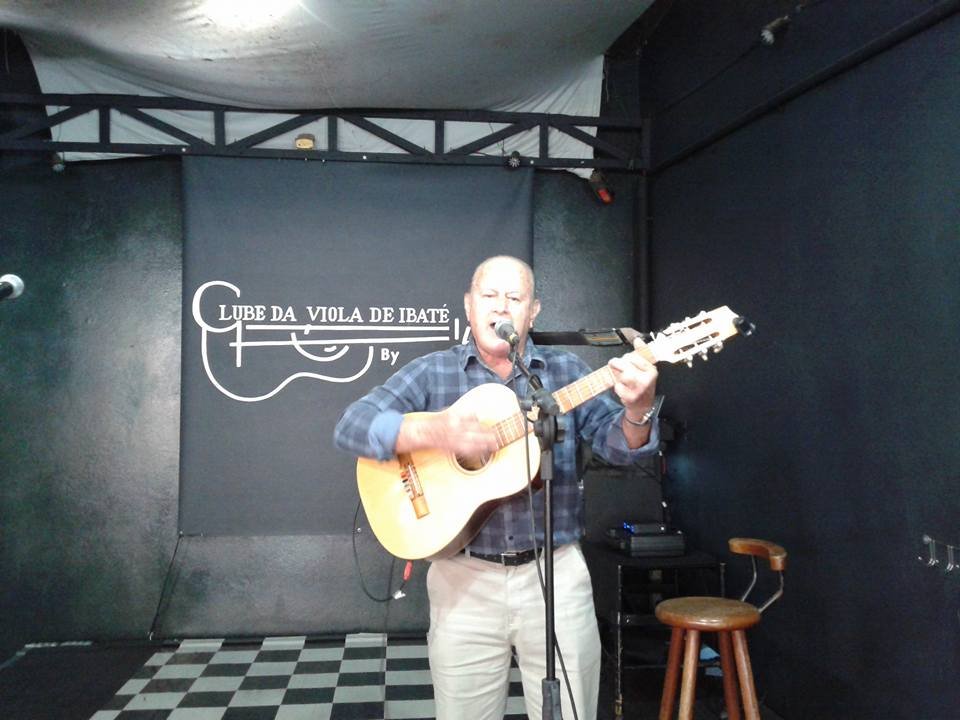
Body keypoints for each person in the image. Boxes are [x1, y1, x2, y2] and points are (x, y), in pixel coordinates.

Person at [334, 255, 659, 720]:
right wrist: (434, 432)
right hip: (463, 579)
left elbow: (623, 450)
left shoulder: (566, 374)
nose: (501, 306)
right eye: (489, 295)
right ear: (469, 305)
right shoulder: (432, 372)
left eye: (515, 297)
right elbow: (351, 426)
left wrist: (639, 410)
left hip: (556, 575)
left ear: (533, 311)